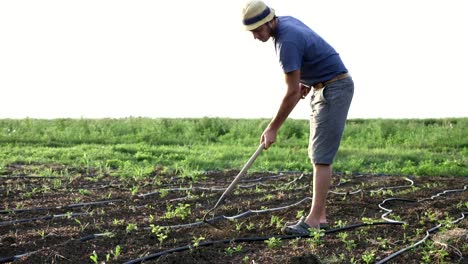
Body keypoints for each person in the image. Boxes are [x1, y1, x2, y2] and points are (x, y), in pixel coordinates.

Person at [241, 0, 354, 235]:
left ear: (270, 22)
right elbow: (312, 55)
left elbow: (291, 93)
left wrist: (272, 128)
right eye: (252, 32)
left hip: (334, 88)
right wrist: (307, 81)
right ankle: (319, 217)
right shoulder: (286, 24)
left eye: (258, 30)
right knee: (317, 155)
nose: (255, 37)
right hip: (324, 86)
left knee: (321, 157)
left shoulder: (286, 42)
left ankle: (313, 220)